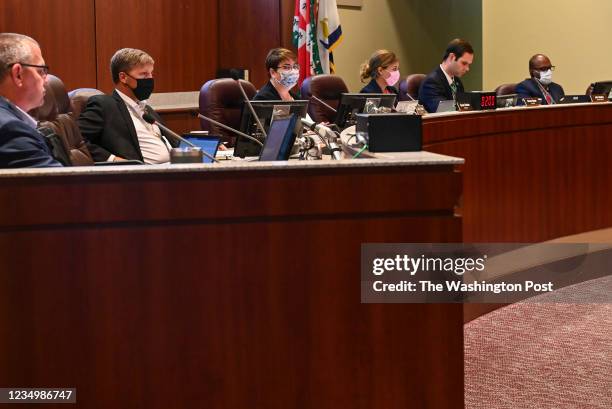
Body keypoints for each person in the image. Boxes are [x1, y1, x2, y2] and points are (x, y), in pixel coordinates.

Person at [78, 48, 177, 163]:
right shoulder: (104, 105)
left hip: (173, 169)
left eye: (151, 74)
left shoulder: (146, 109)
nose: (150, 79)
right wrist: (113, 159)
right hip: (141, 176)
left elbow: (173, 142)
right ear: (123, 77)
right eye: (144, 74)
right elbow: (77, 140)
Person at [0, 33, 61, 168]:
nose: (46, 80)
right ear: (18, 75)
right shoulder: (10, 131)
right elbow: (62, 187)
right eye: (41, 71)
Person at [419, 38, 474, 113]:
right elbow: (443, 111)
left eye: (468, 65)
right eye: (464, 63)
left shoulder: (457, 82)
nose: (467, 69)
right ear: (452, 57)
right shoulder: (431, 82)